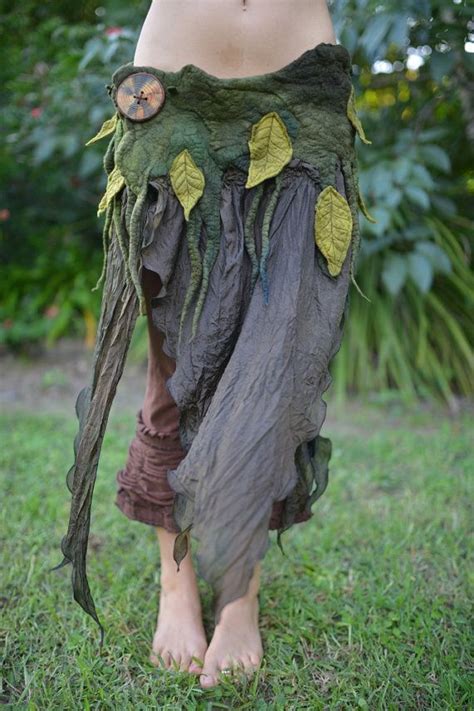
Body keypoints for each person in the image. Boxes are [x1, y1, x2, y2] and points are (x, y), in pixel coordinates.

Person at [54, 0, 373, 691]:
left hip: (302, 97)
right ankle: (177, 585)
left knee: (271, 370)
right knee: (175, 375)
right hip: (173, 100)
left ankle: (240, 594)